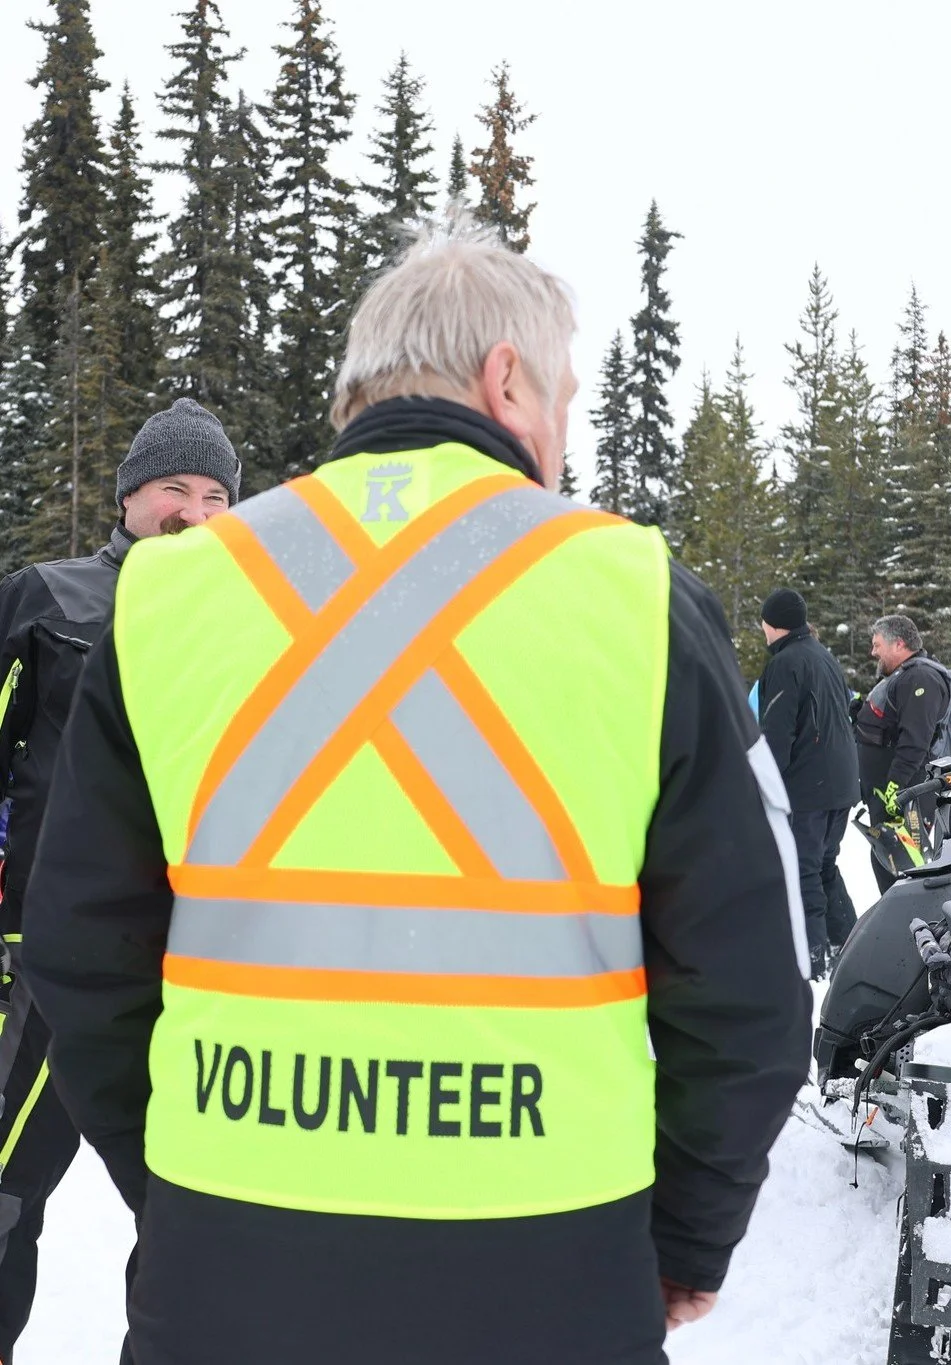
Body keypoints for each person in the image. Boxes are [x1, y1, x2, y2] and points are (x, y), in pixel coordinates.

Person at [22, 215, 812, 1365]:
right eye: (565, 399)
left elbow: (79, 947)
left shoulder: (171, 599)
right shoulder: (632, 595)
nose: (564, 433)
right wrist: (687, 1234)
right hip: (551, 1254)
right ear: (507, 381)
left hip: (227, 1250)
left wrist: (179, 1181)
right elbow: (751, 973)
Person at [0, 398, 240, 1360]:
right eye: (174, 489)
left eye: (218, 495)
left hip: (198, 970)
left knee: (195, 1213)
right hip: (43, 964)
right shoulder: (47, 599)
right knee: (8, 1194)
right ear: (130, 496)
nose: (195, 512)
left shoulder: (259, 629)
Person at [757, 589, 860, 978]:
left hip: (810, 788)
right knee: (824, 867)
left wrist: (766, 787)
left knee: (803, 870)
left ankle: (814, 959)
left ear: (773, 623)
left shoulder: (786, 663)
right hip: (838, 783)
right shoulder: (822, 655)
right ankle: (848, 945)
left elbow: (777, 733)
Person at [856, 613, 950, 892]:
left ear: (898, 644)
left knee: (903, 869)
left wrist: (895, 786)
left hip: (906, 794)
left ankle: (913, 929)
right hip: (892, 792)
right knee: (888, 864)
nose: (873, 652)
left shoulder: (922, 677)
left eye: (877, 645)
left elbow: (916, 740)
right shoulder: (906, 676)